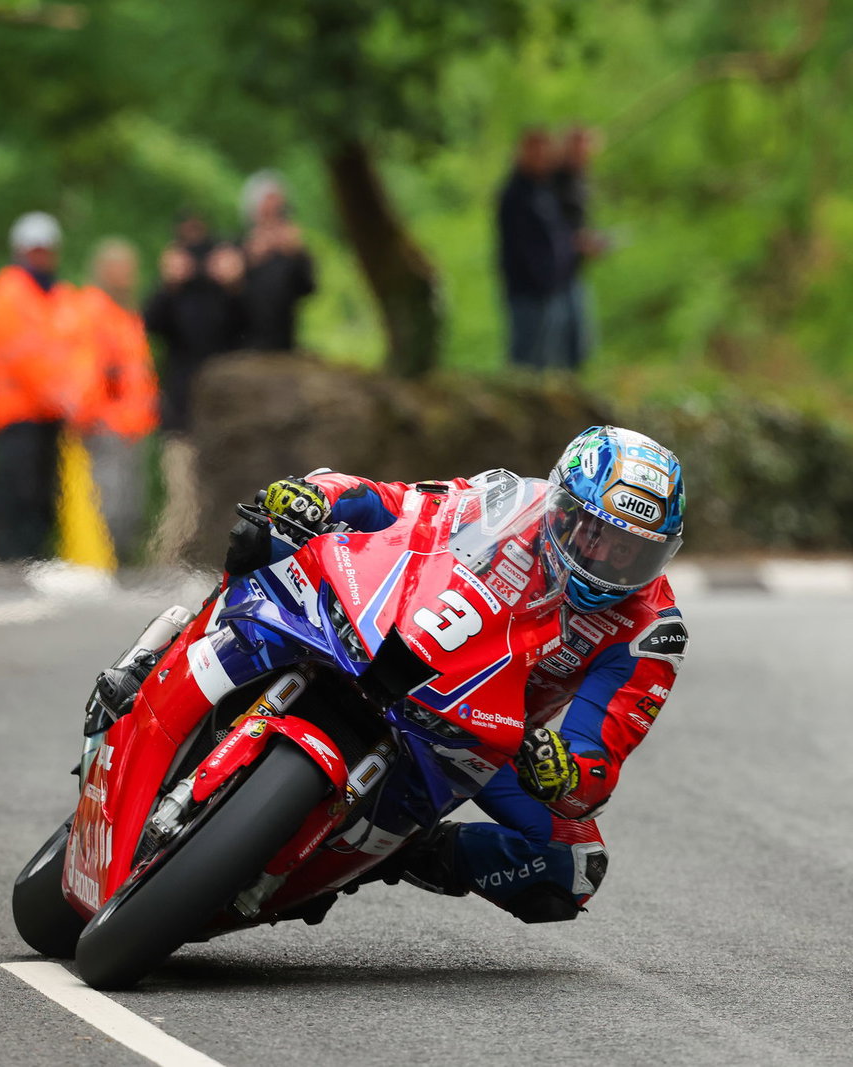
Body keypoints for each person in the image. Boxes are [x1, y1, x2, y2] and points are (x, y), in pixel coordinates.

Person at [223, 426, 689, 923]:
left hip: (480, 734)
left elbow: (596, 767)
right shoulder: (508, 499)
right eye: (599, 535)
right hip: (392, 635)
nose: (610, 563)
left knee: (571, 864)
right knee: (270, 531)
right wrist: (321, 495)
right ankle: (153, 660)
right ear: (565, 511)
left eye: (632, 551)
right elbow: (398, 505)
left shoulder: (651, 633)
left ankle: (401, 851)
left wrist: (565, 770)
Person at [0, 212, 94, 560]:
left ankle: (37, 561)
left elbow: (80, 350)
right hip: (17, 412)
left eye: (46, 250)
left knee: (48, 494)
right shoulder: (7, 292)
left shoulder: (60, 296)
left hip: (53, 414)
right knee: (19, 491)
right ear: (20, 251)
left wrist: (76, 396)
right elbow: (19, 354)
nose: (41, 257)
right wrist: (57, 394)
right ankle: (12, 562)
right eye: (35, 250)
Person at [143, 209, 247, 565]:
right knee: (182, 495)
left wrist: (234, 284)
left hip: (223, 415)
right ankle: (167, 564)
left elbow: (252, 326)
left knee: (218, 496)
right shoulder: (174, 295)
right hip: (181, 408)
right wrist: (168, 284)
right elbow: (148, 325)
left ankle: (203, 562)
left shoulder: (225, 293)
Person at [76, 238, 159, 560]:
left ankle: (121, 565)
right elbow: (87, 369)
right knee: (111, 501)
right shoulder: (93, 309)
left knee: (131, 502)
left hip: (132, 425)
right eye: (124, 269)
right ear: (107, 271)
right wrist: (94, 413)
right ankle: (107, 563)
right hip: (107, 424)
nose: (130, 276)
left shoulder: (125, 313)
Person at [497, 128, 575, 370]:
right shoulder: (515, 194)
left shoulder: (545, 189)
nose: (541, 158)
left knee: (548, 359)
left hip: (552, 288)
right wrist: (540, 277)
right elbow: (521, 247)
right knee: (526, 362)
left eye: (545, 152)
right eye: (535, 152)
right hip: (527, 290)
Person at [239, 170, 318, 352]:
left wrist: (297, 254)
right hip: (243, 343)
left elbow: (308, 289)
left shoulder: (291, 250)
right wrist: (250, 259)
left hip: (283, 342)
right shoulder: (238, 246)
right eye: (268, 207)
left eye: (278, 208)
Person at [553, 125, 609, 370]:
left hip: (573, 270)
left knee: (579, 343)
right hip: (553, 274)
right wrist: (574, 242)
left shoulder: (580, 179)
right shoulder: (553, 180)